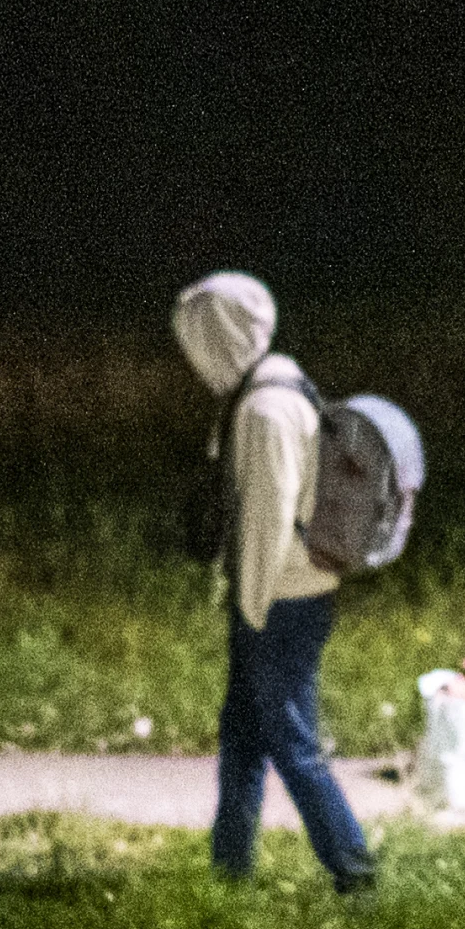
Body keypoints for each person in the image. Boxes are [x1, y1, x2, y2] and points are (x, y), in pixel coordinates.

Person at [174, 271, 375, 894]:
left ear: (222, 336)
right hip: (277, 592)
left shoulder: (264, 408)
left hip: (283, 598)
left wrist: (250, 608)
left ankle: (355, 873)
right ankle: (228, 871)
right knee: (241, 736)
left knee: (292, 742)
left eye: (198, 338)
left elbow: (267, 515)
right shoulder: (272, 385)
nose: (191, 354)